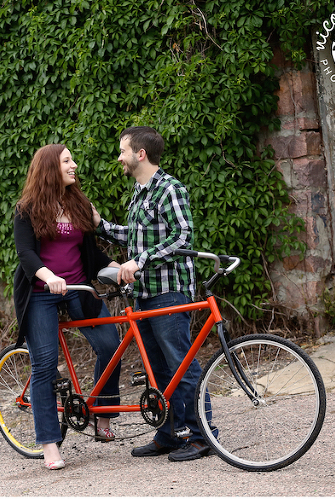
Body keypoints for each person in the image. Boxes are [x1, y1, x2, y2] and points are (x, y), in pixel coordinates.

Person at [92, 126, 215, 462]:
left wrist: (140, 260)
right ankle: (171, 434)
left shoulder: (169, 188)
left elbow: (183, 236)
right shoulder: (139, 192)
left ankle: (204, 436)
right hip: (144, 293)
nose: (119, 157)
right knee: (158, 370)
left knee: (181, 366)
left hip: (169, 291)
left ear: (140, 154)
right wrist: (101, 224)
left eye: (123, 151)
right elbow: (136, 236)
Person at [13, 143, 123, 470]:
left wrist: (117, 268)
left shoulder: (79, 204)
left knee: (111, 346)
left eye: (72, 160)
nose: (74, 165)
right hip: (41, 292)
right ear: (50, 167)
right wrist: (49, 277)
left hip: (79, 289)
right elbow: (26, 255)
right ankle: (49, 443)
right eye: (67, 161)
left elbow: (92, 254)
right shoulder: (27, 209)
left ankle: (101, 416)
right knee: (45, 365)